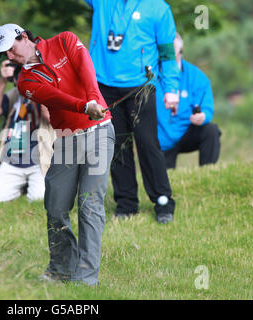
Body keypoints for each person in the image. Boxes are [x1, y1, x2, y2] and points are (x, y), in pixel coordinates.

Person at [0, 24, 115, 285]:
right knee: (56, 206)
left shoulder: (65, 40)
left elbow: (86, 70)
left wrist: (93, 100)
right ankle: (60, 269)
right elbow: (55, 97)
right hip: (67, 138)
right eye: (6, 55)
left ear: (23, 37)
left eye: (11, 50)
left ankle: (85, 278)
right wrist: (84, 106)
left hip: (100, 134)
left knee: (89, 205)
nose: (11, 57)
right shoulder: (25, 81)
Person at [85, 0, 180, 224]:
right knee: (118, 143)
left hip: (141, 85)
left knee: (147, 143)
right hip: (105, 85)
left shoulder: (159, 8)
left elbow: (167, 53)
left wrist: (172, 89)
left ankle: (163, 200)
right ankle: (126, 204)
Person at [0, 59, 53, 204]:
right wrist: (3, 80)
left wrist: (39, 91)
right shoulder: (15, 94)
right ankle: (21, 186)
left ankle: (28, 187)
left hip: (40, 162)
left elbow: (50, 118)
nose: (23, 80)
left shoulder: (47, 91)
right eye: (20, 75)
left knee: (39, 200)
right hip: (13, 160)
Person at [156, 33, 221, 169]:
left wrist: (202, 116)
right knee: (165, 183)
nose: (169, 59)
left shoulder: (197, 76)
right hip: (161, 137)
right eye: (165, 54)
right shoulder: (151, 75)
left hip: (187, 131)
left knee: (211, 130)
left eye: (173, 54)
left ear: (181, 52)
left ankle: (208, 172)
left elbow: (206, 107)